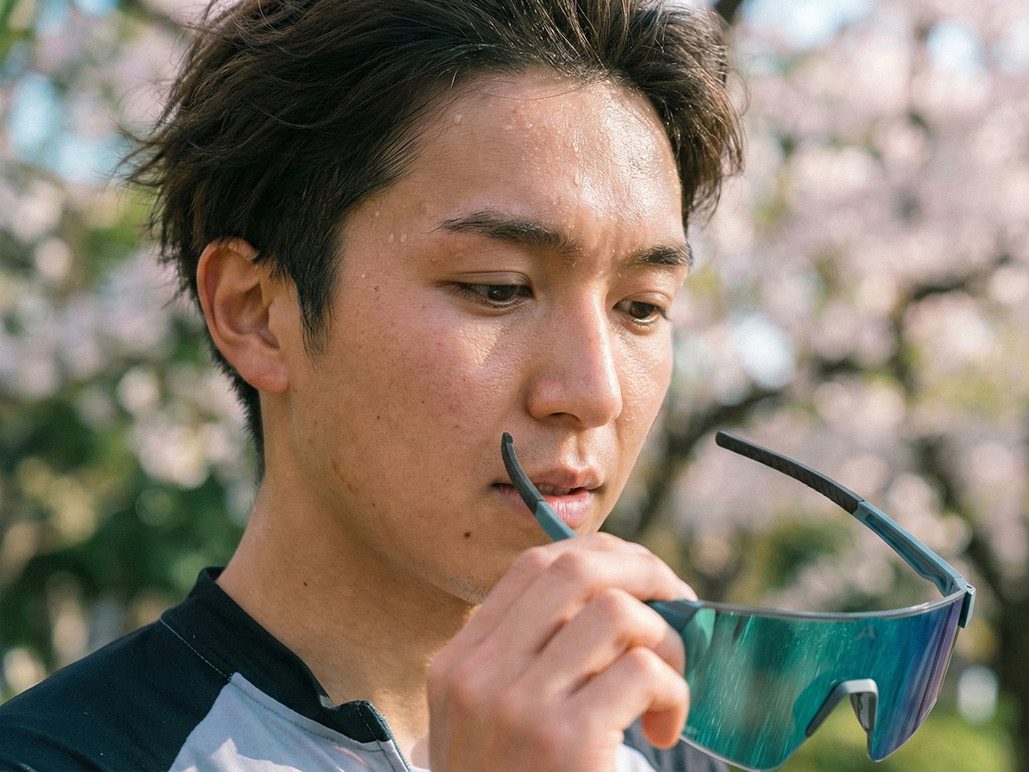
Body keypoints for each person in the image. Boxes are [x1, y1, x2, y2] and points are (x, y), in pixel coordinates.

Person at [0, 0, 743, 769]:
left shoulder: (668, 741)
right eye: (496, 289)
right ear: (256, 313)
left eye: (641, 307)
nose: (595, 393)